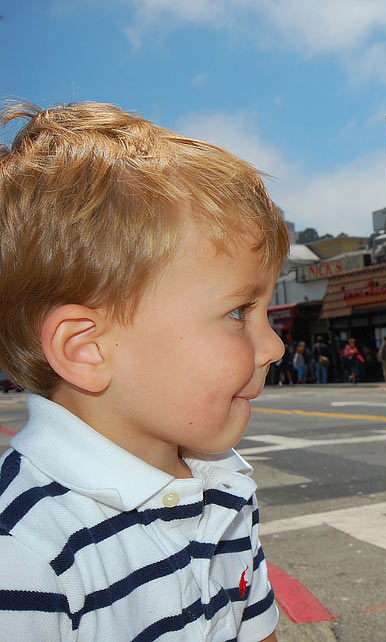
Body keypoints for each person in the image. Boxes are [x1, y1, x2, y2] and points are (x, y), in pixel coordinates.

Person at [0, 103, 284, 640]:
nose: (274, 345)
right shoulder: (24, 553)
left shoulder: (225, 487)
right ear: (87, 349)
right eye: (238, 312)